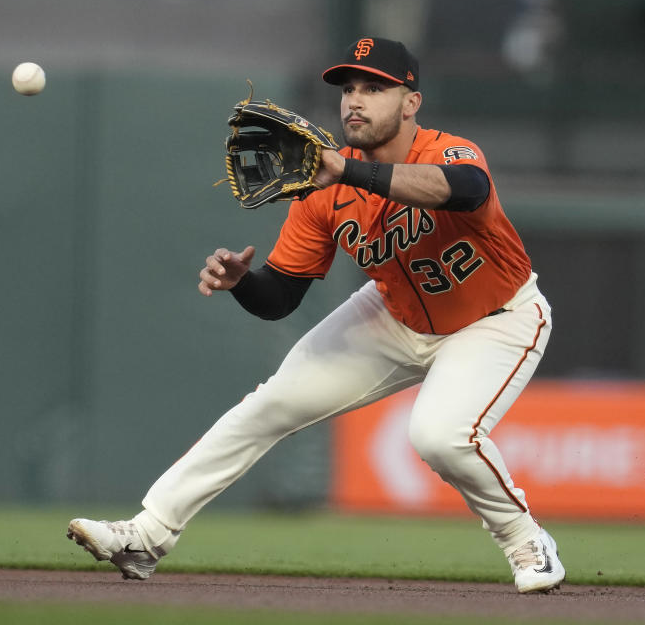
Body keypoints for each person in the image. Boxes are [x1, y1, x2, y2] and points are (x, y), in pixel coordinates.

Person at [67, 37, 566, 594]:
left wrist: (346, 170)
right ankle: (146, 536)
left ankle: (525, 539)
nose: (355, 100)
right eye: (348, 89)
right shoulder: (322, 190)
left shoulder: (447, 151)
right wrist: (241, 283)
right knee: (271, 404)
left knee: (440, 436)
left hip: (496, 317)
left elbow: (465, 191)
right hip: (395, 316)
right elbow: (280, 298)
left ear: (411, 103)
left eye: (374, 88)